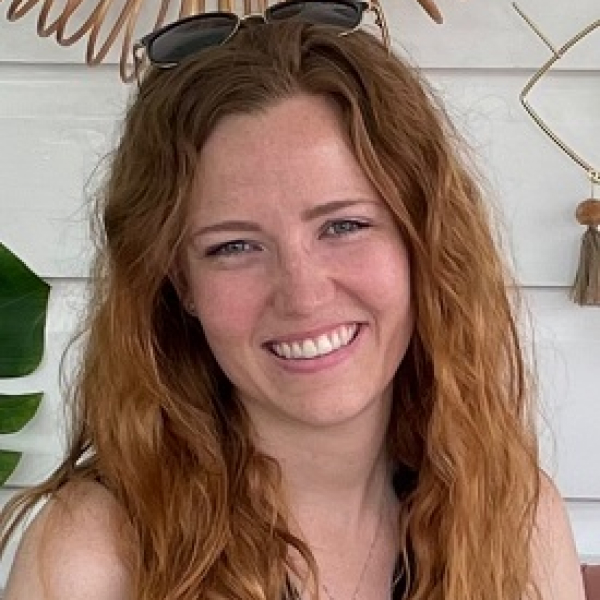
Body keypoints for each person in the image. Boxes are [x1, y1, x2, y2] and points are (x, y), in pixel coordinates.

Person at [0, 1, 586, 598]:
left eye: (344, 226)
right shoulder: (94, 553)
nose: (303, 295)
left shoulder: (516, 520)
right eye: (234, 246)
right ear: (179, 282)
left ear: (422, 242)